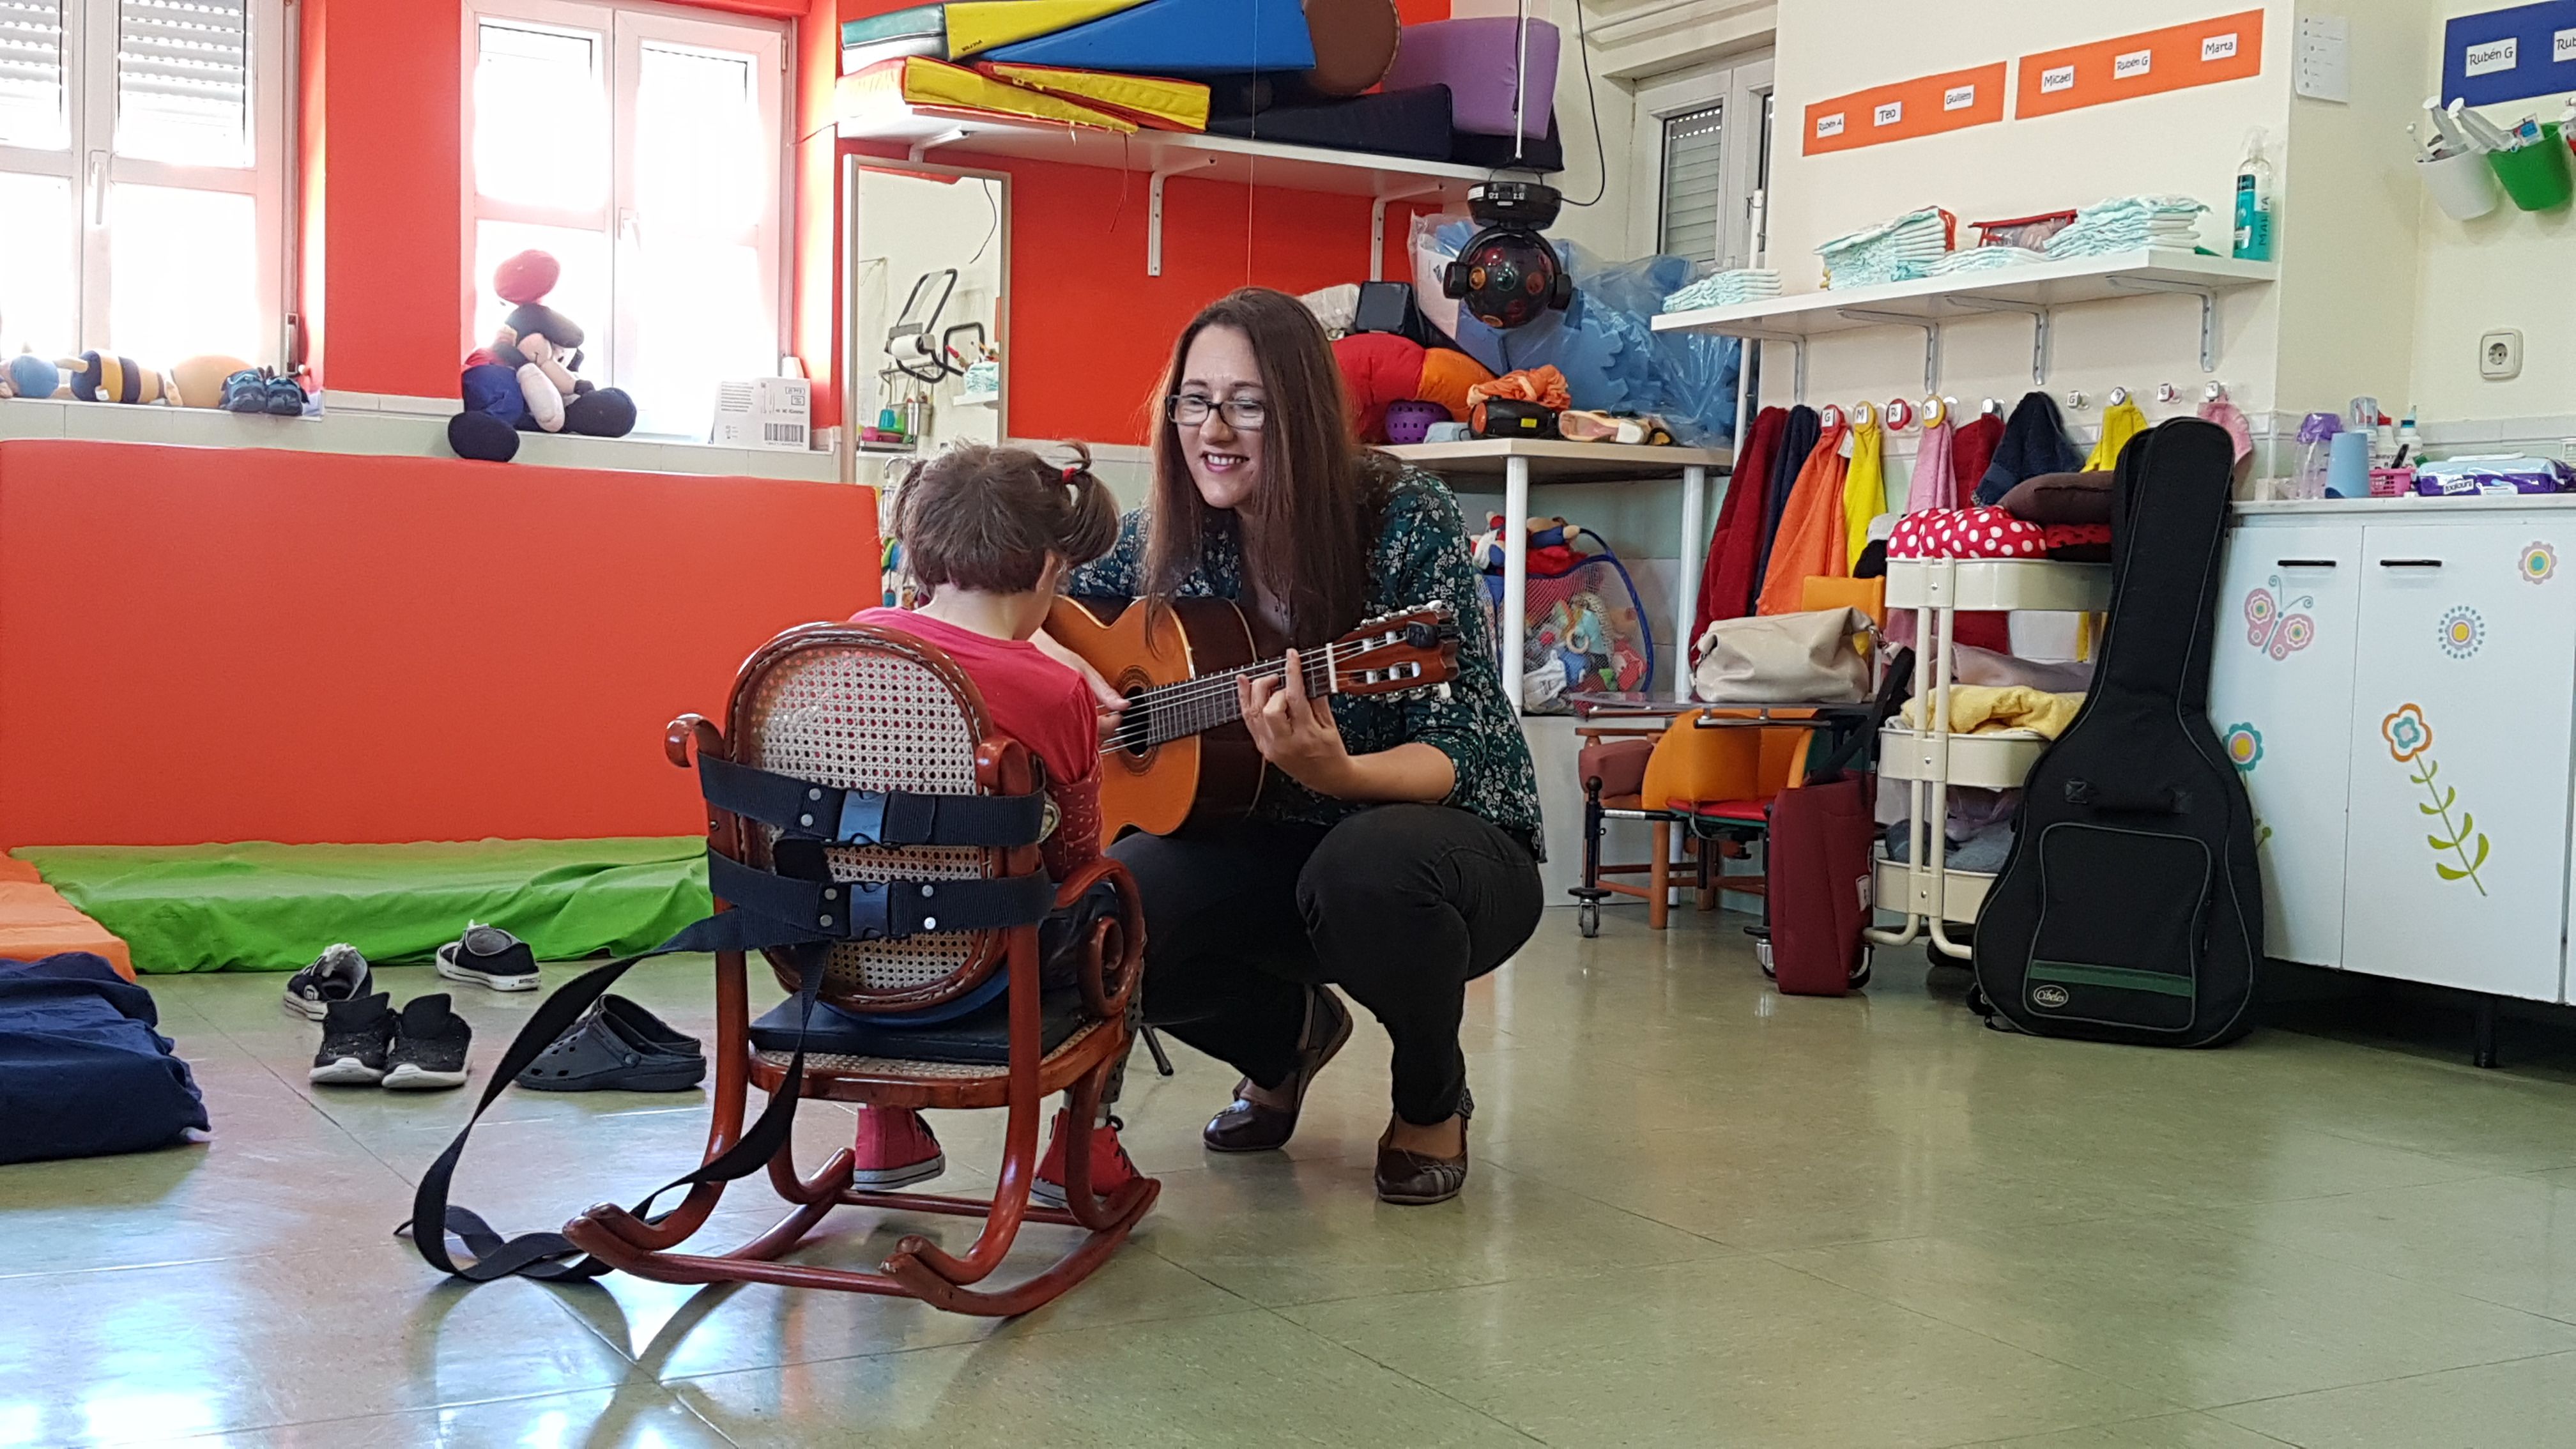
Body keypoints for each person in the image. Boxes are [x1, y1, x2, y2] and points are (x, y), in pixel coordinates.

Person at [1045, 286, 1544, 1206]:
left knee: (1365, 867)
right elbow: (1034, 600)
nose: (1213, 429)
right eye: (1195, 400)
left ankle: (1431, 1098)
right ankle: (1286, 1042)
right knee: (1116, 909)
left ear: (1304, 414)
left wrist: (1339, 771)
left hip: (1445, 849)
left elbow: (1457, 748)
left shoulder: (1403, 513)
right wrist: (1076, 677)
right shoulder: (1171, 534)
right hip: (1269, 843)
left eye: (1247, 404)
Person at [845, 441, 1141, 1208]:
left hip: (838, 953)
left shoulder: (850, 642)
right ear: (1050, 567)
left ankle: (886, 1126)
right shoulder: (1052, 691)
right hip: (986, 970)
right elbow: (1077, 856)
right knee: (1119, 905)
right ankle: (1084, 1146)